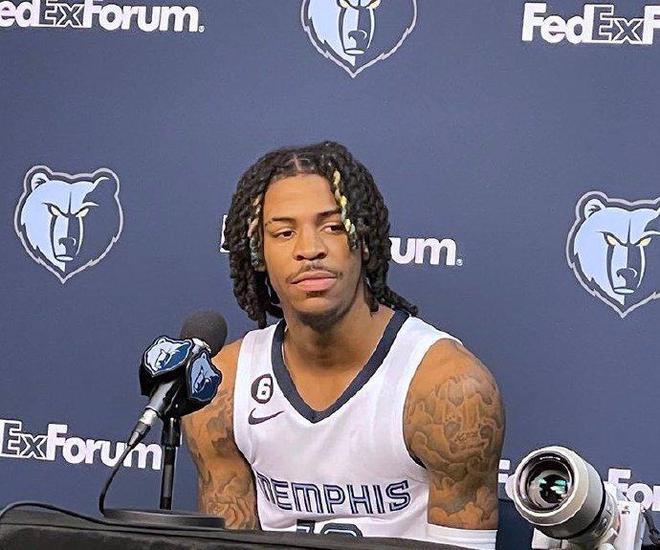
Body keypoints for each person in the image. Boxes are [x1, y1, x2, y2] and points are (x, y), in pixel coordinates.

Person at [183, 141, 505, 549]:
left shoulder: (448, 389)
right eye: (284, 232)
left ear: (364, 240)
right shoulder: (222, 389)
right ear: (258, 252)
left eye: (333, 227)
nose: (309, 250)